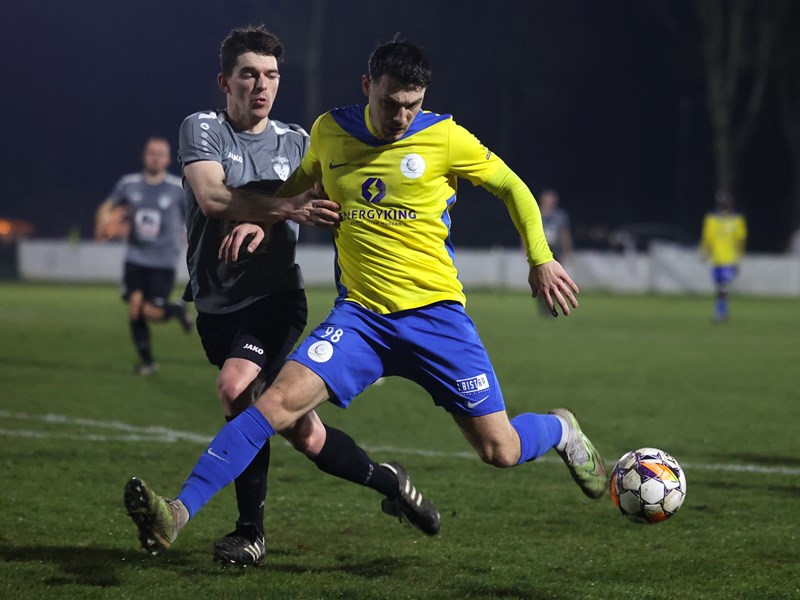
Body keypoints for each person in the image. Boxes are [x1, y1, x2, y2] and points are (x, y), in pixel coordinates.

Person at [123, 37, 606, 554]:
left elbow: (512, 186)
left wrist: (540, 257)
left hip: (437, 319)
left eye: (412, 105)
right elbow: (301, 184)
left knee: (500, 450)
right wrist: (265, 221)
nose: (401, 116)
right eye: (390, 102)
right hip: (361, 321)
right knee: (270, 405)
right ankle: (177, 513)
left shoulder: (444, 137)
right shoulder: (330, 131)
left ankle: (560, 429)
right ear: (367, 86)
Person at [124, 26, 439, 566]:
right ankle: (390, 481)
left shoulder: (297, 142)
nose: (262, 85)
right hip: (215, 305)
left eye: (271, 75)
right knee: (305, 434)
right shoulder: (203, 128)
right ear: (225, 81)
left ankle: (248, 532)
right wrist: (283, 209)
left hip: (275, 300)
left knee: (235, 389)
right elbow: (213, 196)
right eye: (249, 74)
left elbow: (334, 199)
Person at [95, 137, 193, 375]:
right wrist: (104, 224)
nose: (155, 158)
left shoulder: (177, 188)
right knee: (135, 307)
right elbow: (106, 207)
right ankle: (147, 362)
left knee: (152, 313)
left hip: (164, 260)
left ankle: (177, 310)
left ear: (168, 159)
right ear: (144, 156)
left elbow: (194, 217)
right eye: (151, 153)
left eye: (160, 154)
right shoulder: (129, 184)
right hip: (136, 257)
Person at [700, 190, 747, 322]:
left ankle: (719, 313)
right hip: (716, 260)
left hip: (729, 260)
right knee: (720, 288)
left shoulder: (736, 220)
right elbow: (707, 238)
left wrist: (738, 258)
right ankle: (723, 313)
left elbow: (740, 240)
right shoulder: (711, 219)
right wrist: (705, 252)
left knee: (723, 288)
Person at [536, 189, 573, 316]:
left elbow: (565, 234)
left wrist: (567, 250)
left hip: (555, 251)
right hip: (540, 251)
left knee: (556, 280)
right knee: (541, 280)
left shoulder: (560, 216)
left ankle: (553, 303)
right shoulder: (536, 213)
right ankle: (543, 302)